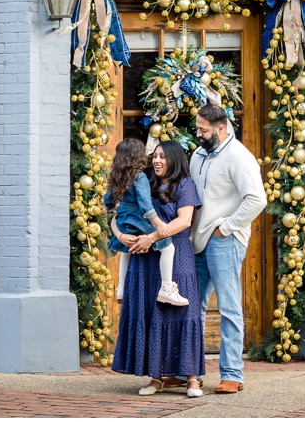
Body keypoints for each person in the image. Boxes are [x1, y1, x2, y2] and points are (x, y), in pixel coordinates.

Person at [111, 141, 205, 398]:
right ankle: (157, 377)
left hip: (176, 253)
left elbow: (183, 221)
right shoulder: (144, 182)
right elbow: (118, 212)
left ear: (174, 159)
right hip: (146, 258)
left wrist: (151, 237)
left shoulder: (184, 185)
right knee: (155, 315)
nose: (157, 161)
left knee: (184, 312)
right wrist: (119, 234)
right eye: (155, 156)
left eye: (163, 157)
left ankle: (193, 379)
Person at [188, 103, 268, 394]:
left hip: (223, 241)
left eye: (203, 130)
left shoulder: (238, 156)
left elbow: (257, 199)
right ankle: (191, 372)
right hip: (195, 241)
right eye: (197, 128)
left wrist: (228, 227)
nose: (198, 134)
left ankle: (232, 374)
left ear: (221, 128)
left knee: (229, 308)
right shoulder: (198, 154)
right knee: (190, 309)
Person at [103, 138, 187, 307]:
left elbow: (108, 200)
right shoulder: (139, 177)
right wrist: (159, 224)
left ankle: (121, 288)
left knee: (127, 252)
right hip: (138, 220)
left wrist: (114, 207)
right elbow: (145, 206)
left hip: (123, 221)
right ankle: (166, 288)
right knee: (168, 247)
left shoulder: (118, 177)